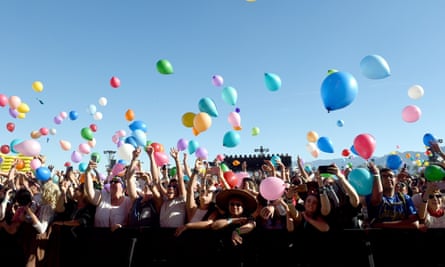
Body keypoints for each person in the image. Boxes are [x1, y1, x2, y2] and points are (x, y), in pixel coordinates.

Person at [210, 188, 258, 267]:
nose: (235, 207)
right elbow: (214, 226)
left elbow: (251, 225)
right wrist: (232, 220)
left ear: (243, 207)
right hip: (222, 258)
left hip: (243, 259)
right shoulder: (224, 217)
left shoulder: (247, 217)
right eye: (232, 204)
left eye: (238, 205)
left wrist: (237, 231)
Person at [84, 160, 134, 231]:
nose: (112, 183)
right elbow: (90, 191)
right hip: (99, 239)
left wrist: (122, 227)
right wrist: (88, 172)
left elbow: (132, 223)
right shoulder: (103, 195)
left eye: (116, 182)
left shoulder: (128, 201)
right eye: (111, 182)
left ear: (123, 187)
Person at [366, 163, 419, 229]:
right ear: (379, 180)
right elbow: (376, 200)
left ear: (396, 180)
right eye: (384, 176)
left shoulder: (405, 198)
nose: (388, 178)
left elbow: (414, 224)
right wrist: (404, 223)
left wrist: (381, 225)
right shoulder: (372, 197)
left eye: (391, 176)